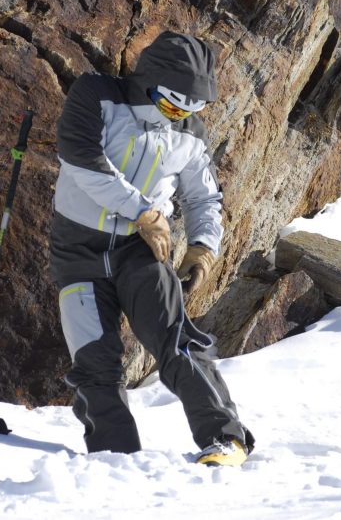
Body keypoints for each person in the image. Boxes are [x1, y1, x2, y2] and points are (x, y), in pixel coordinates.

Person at [49, 31, 254, 466]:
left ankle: (225, 438)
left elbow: (204, 197)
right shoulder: (97, 95)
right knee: (94, 361)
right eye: (173, 101)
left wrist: (203, 246)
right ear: (149, 81)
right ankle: (114, 457)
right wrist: (144, 212)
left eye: (193, 106)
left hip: (140, 254)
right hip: (77, 252)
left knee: (176, 340)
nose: (181, 113)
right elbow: (81, 157)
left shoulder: (189, 135)